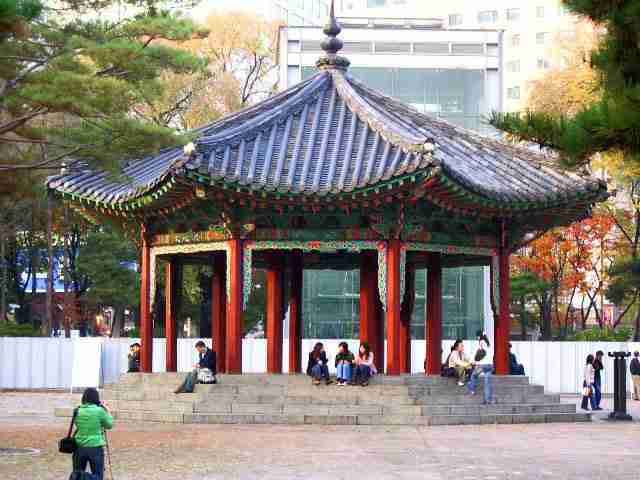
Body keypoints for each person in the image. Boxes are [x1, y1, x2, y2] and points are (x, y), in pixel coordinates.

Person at [71, 387, 114, 480]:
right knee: (98, 475)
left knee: (77, 476)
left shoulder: (77, 410)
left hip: (79, 446)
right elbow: (109, 425)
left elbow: (77, 425)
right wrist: (108, 411)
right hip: (95, 447)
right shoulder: (99, 411)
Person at [468, 332, 494, 404]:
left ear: (479, 336)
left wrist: (474, 361)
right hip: (490, 365)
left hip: (483, 365)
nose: (477, 338)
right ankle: (487, 400)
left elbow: (480, 353)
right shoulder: (488, 343)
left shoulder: (481, 342)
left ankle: (472, 390)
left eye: (477, 337)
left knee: (474, 375)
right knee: (487, 383)